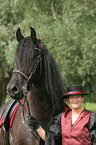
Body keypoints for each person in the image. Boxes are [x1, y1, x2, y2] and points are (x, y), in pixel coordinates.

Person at [28, 85, 96, 145]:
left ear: (83, 98)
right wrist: (37, 126)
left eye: (78, 97)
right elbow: (50, 139)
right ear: (68, 100)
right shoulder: (62, 117)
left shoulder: (91, 117)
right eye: (72, 97)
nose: (75, 100)